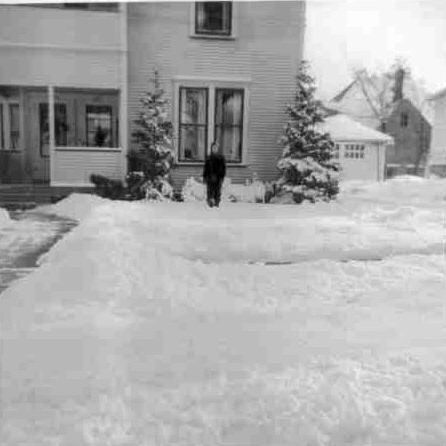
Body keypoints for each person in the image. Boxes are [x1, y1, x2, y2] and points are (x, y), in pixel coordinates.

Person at [203, 141, 226, 207]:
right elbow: (205, 168)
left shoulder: (221, 158)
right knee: (210, 190)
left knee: (217, 191)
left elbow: (223, 168)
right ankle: (210, 202)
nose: (214, 149)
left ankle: (216, 203)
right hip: (210, 177)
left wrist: (222, 176)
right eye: (213, 148)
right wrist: (205, 177)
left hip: (218, 177)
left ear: (217, 148)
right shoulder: (208, 157)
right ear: (211, 148)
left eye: (215, 148)